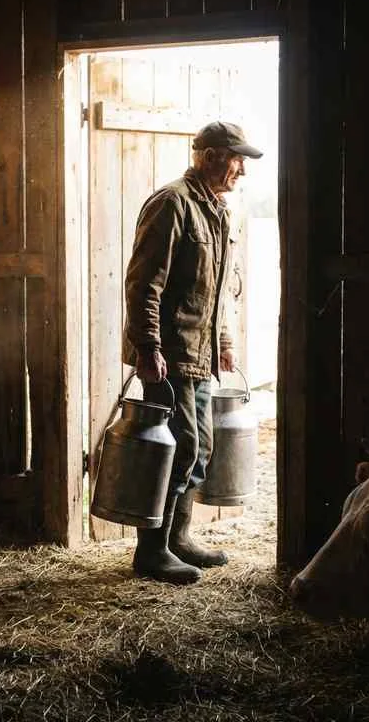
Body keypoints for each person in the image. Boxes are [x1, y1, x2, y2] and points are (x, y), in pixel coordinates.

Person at [121, 120, 264, 584]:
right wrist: (147, 346)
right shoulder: (172, 203)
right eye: (237, 159)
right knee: (178, 447)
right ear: (210, 157)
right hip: (171, 355)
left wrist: (224, 342)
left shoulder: (216, 210)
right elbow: (144, 284)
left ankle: (178, 538)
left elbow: (216, 288)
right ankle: (151, 551)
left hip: (200, 353)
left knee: (199, 448)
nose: (242, 170)